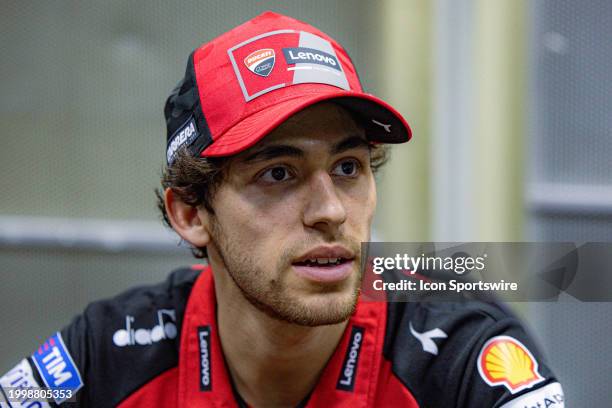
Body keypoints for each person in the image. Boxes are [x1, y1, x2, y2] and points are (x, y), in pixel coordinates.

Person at [0, 11, 564, 408]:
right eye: (278, 173)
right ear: (192, 214)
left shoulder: (461, 355)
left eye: (348, 168)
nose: (330, 212)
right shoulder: (109, 350)